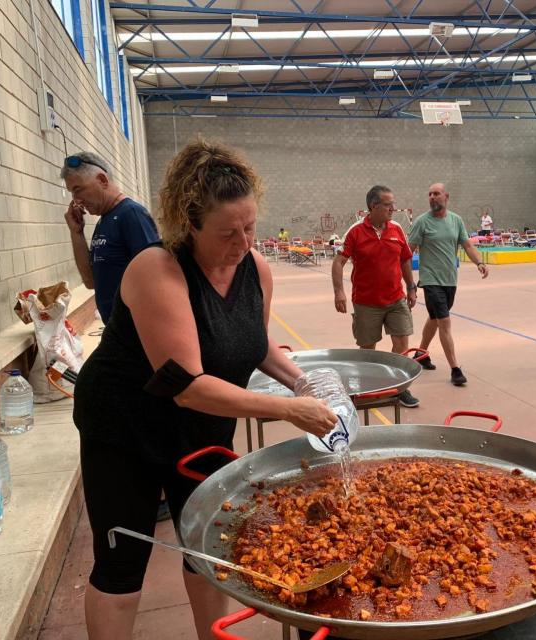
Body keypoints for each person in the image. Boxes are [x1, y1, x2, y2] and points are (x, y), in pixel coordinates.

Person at [72, 140, 337, 640]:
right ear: (188, 224)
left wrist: (305, 382)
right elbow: (187, 386)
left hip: (203, 426)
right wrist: (290, 410)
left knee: (206, 549)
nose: (242, 243)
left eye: (250, 228)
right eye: (227, 233)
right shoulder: (158, 270)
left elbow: (257, 346)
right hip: (126, 425)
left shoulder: (253, 268)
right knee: (122, 559)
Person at [332, 186, 419, 408]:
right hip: (366, 303)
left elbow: (405, 259)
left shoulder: (397, 229)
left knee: (402, 344)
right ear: (373, 206)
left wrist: (411, 287)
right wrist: (339, 291)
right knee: (367, 349)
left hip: (396, 299)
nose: (393, 208)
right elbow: (338, 261)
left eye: (393, 204)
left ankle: (399, 388)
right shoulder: (355, 232)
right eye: (388, 205)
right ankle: (368, 389)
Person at [62, 152, 160, 325]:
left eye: (78, 190)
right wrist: (76, 233)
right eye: (71, 193)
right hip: (117, 334)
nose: (76, 201)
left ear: (102, 180)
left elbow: (156, 281)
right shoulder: (104, 222)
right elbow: (90, 281)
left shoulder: (131, 215)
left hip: (138, 335)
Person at [408, 183, 489, 386]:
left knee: (435, 318)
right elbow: (408, 251)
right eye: (430, 194)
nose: (432, 197)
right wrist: (408, 282)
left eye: (436, 194)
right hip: (430, 280)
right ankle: (455, 369)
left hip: (450, 280)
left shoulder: (456, 220)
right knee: (444, 321)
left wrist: (479, 261)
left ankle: (421, 354)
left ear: (446, 196)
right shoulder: (422, 222)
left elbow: (467, 245)